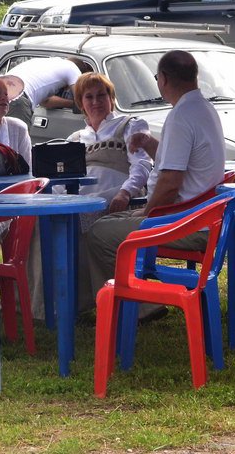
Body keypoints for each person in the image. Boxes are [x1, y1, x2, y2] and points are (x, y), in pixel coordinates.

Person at [85, 50, 225, 320]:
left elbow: (171, 183)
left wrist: (148, 212)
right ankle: (128, 304)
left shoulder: (181, 115)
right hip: (201, 217)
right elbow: (179, 162)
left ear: (162, 79)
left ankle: (137, 307)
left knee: (98, 233)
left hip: (187, 222)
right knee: (108, 224)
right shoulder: (202, 108)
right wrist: (150, 144)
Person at [31, 72, 153, 315]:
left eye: (101, 95)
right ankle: (44, 304)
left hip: (117, 197)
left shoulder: (129, 125)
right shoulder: (76, 138)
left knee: (75, 219)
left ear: (111, 98)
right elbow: (59, 179)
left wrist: (125, 193)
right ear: (80, 103)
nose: (96, 102)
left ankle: (83, 300)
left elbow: (142, 165)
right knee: (39, 222)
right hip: (80, 198)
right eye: (89, 97)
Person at [0, 56, 93, 127]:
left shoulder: (49, 62)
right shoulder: (73, 68)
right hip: (18, 100)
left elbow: (46, 102)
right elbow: (81, 102)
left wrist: (69, 103)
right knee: (16, 147)